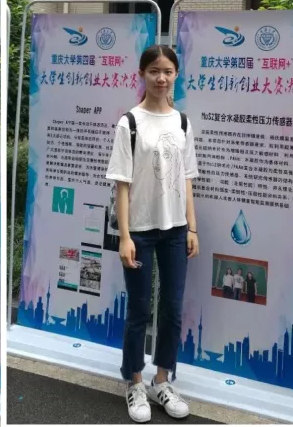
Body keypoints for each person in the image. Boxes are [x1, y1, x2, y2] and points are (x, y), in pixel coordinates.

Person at [105, 44, 198, 423]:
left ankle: (162, 379)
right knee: (139, 310)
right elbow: (121, 185)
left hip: (175, 230)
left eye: (168, 71)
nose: (162, 78)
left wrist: (192, 226)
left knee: (172, 309)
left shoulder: (182, 122)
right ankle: (135, 382)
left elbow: (187, 179)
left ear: (176, 75)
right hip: (140, 232)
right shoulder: (129, 123)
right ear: (142, 74)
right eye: (154, 71)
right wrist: (125, 236)